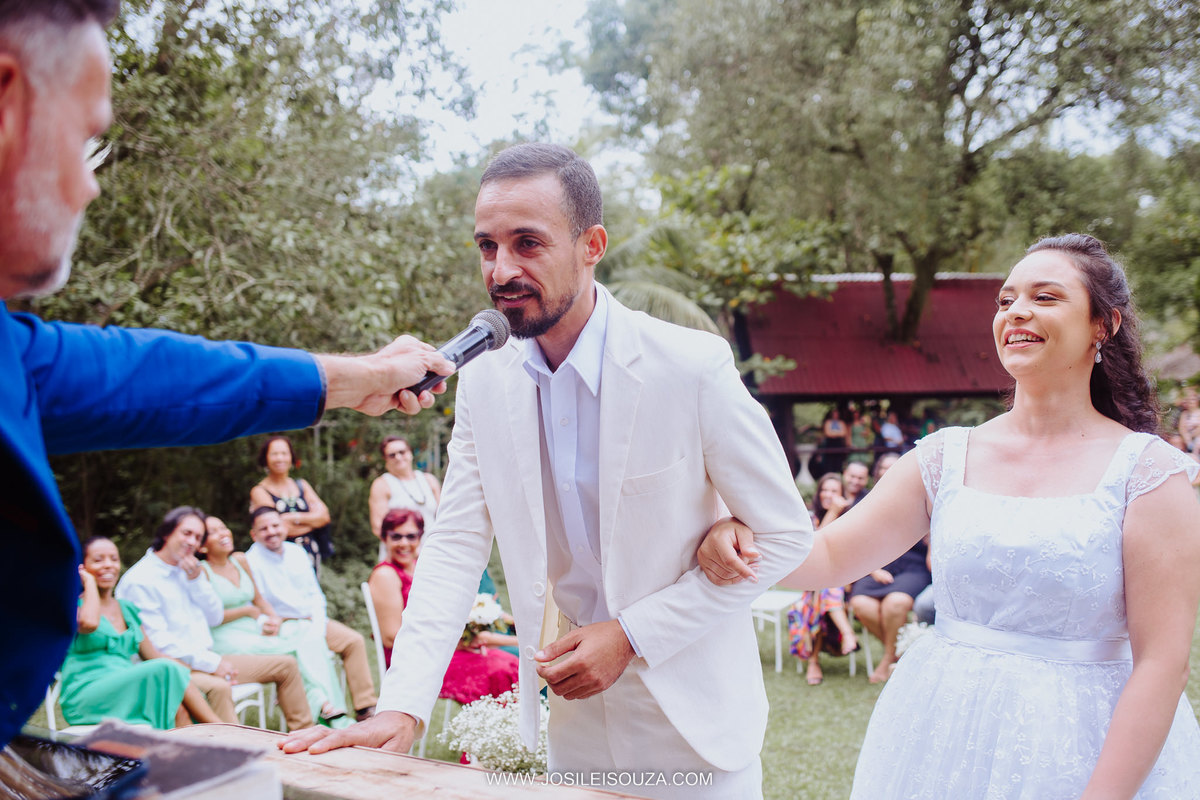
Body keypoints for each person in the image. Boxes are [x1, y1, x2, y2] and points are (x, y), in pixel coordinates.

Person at [280, 143, 812, 799]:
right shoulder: (483, 382)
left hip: (699, 731)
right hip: (576, 731)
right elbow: (454, 543)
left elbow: (787, 534)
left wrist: (631, 636)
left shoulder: (690, 366)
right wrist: (404, 704)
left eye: (527, 243)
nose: (501, 270)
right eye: (487, 247)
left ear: (592, 244)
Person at [0, 0, 454, 746]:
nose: (90, 188)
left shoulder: (14, 351)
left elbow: (168, 379)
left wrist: (361, 376)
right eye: (84, 143)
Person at [700, 233, 1200, 797]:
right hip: (943, 731)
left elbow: (1162, 663)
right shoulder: (944, 457)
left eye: (1046, 297)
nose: (1017, 312)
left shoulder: (1149, 474)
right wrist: (732, 530)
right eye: (1006, 300)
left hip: (1085, 741)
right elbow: (829, 556)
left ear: (1102, 327)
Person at [115, 507, 314, 731]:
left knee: (285, 665)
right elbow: (159, 645)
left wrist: (195, 579)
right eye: (187, 533)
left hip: (205, 658)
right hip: (172, 666)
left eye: (197, 537)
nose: (192, 542)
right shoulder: (141, 580)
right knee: (219, 686)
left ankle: (304, 735)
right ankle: (236, 752)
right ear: (166, 532)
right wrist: (212, 664)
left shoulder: (187, 569)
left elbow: (215, 615)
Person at [199, 515, 350, 726]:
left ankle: (324, 706)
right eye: (212, 532)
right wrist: (248, 611)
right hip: (226, 638)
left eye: (223, 527)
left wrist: (272, 617)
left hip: (254, 629)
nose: (222, 533)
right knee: (296, 651)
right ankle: (328, 709)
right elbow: (208, 618)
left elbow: (259, 599)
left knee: (306, 635)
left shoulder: (240, 560)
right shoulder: (201, 572)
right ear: (202, 546)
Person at [60, 536, 221, 729]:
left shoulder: (128, 609)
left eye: (113, 558)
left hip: (129, 690)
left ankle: (197, 751)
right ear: (82, 567)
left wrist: (198, 668)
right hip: (88, 695)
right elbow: (89, 623)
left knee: (178, 708)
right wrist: (89, 583)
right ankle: (220, 729)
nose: (108, 565)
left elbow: (153, 656)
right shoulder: (73, 607)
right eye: (98, 560)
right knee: (165, 670)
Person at [368, 508, 519, 704]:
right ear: (384, 538)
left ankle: (505, 728)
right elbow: (391, 638)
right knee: (501, 669)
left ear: (420, 538)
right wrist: (451, 642)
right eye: (396, 536)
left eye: (411, 536)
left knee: (509, 663)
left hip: (440, 649)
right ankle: (497, 728)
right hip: (412, 660)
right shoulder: (385, 575)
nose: (404, 543)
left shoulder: (423, 568)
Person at [245, 506, 378, 722]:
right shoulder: (250, 561)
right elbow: (255, 601)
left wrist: (318, 624)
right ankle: (324, 707)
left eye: (275, 525)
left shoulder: (297, 552)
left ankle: (365, 709)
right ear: (254, 534)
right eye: (264, 528)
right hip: (284, 625)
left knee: (353, 641)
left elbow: (315, 594)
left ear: (284, 527)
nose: (271, 532)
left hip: (313, 619)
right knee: (310, 649)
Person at [787, 474, 857, 686]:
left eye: (834, 491)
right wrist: (833, 512)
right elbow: (816, 546)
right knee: (822, 591)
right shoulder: (810, 519)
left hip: (845, 581)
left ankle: (813, 663)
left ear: (843, 495)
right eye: (825, 490)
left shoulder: (851, 520)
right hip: (817, 585)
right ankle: (848, 633)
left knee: (827, 587)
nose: (828, 495)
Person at [250, 435, 333, 568]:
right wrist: (311, 521)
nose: (280, 458)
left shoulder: (302, 485)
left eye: (284, 453)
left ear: (291, 457)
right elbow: (274, 528)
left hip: (311, 553)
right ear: (265, 458)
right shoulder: (260, 491)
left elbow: (324, 517)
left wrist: (291, 517)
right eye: (274, 454)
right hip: (280, 557)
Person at [368, 436, 442, 538]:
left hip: (432, 548)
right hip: (401, 550)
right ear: (385, 459)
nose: (398, 457)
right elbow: (378, 527)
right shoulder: (382, 484)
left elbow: (443, 517)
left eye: (402, 452)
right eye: (392, 455)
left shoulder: (429, 480)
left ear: (410, 453)